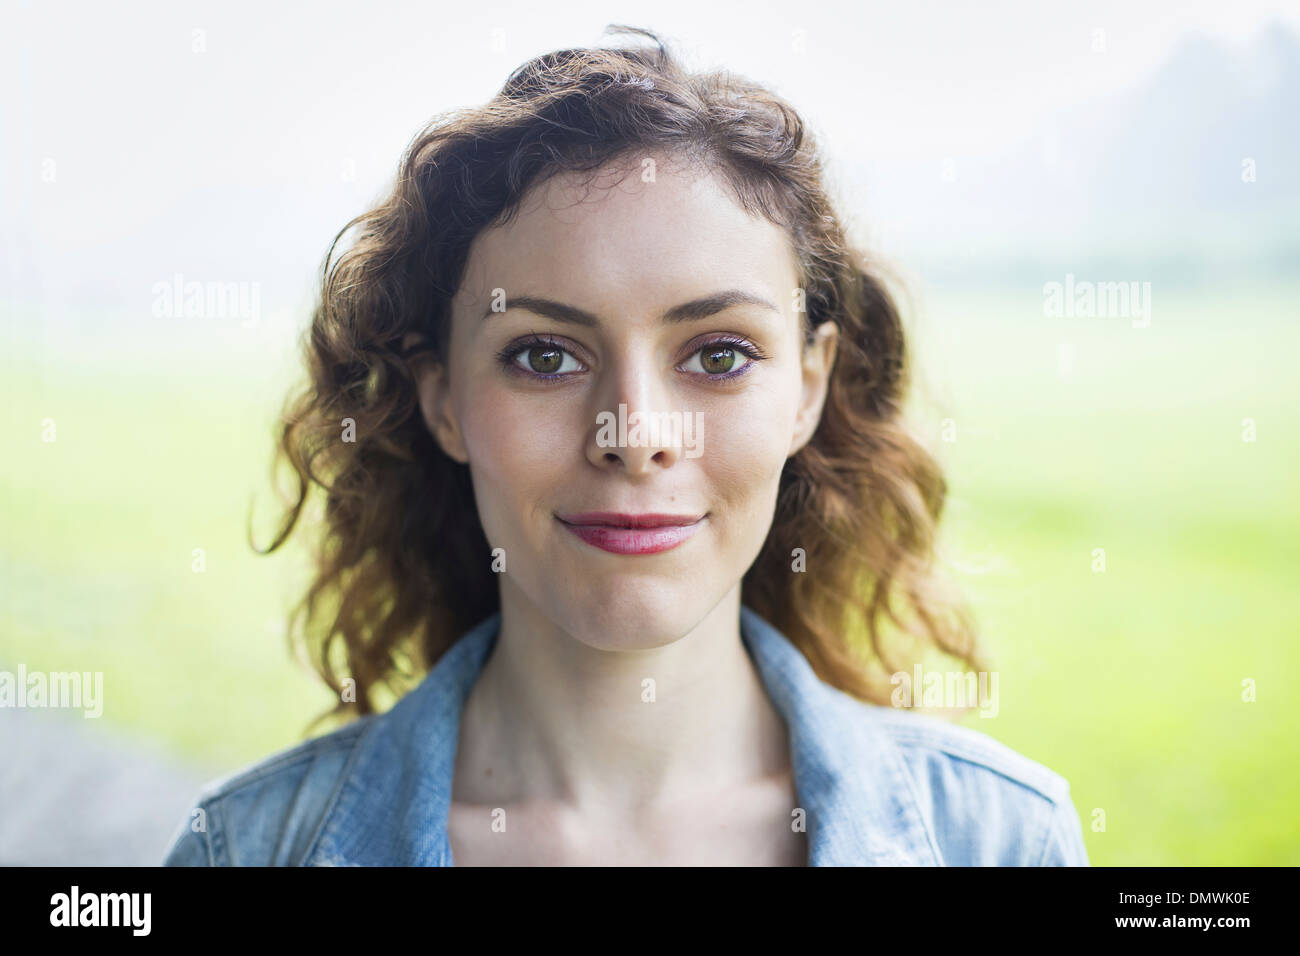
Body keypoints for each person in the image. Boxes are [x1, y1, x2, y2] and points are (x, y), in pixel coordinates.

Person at [163, 25, 1089, 866]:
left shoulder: (1003, 840)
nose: (634, 434)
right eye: (544, 355)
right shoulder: (242, 851)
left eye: (719, 354)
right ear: (441, 397)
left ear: (808, 387)